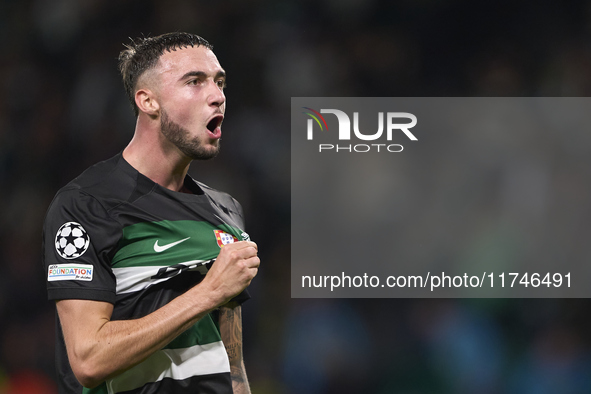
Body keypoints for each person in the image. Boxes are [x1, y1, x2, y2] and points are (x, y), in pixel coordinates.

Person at [42, 32, 260, 393]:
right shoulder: (88, 204)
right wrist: (208, 292)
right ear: (148, 101)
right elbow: (89, 359)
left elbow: (232, 366)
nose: (217, 96)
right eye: (194, 82)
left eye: (220, 83)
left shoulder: (226, 211)